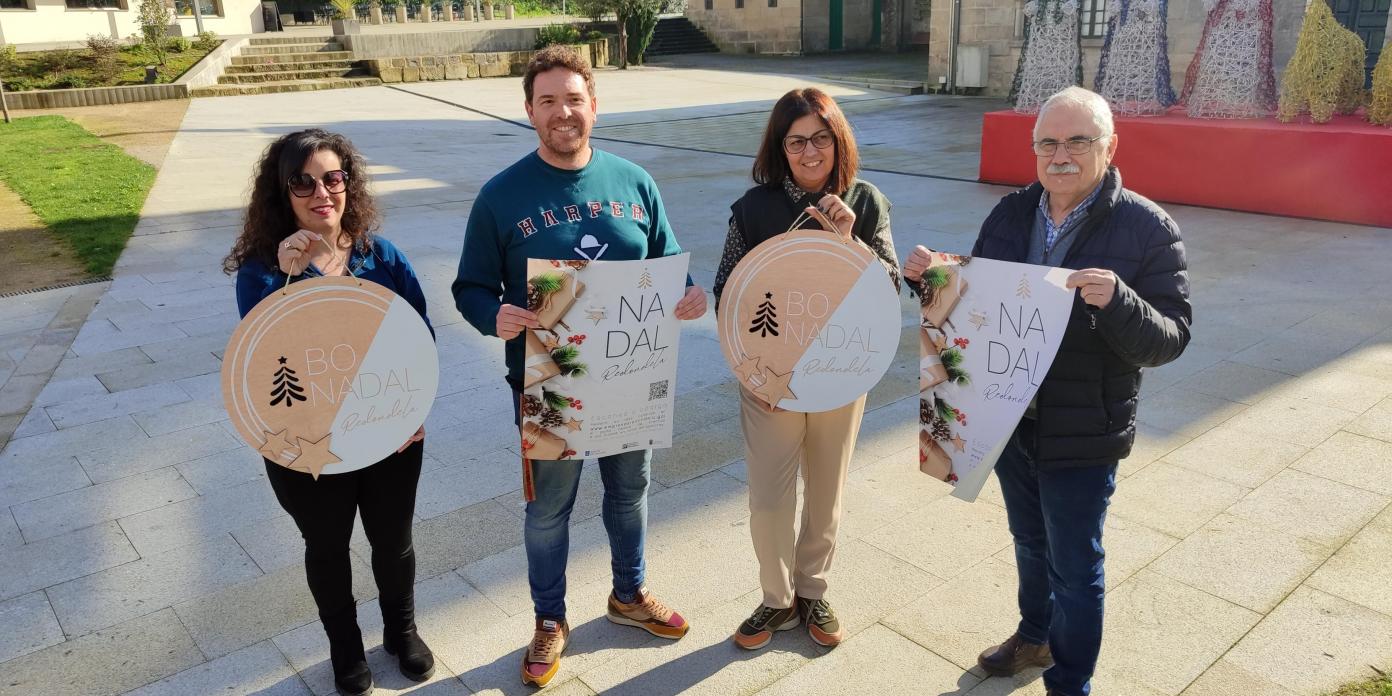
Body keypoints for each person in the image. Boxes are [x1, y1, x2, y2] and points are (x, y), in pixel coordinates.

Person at [904, 86, 1191, 696]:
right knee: (1029, 541)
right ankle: (1034, 634)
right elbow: (972, 308)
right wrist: (930, 281)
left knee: (1077, 568)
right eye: (1048, 143)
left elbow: (1169, 338)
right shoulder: (1010, 214)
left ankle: (1070, 683)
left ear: (1110, 147)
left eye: (1078, 142)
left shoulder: (1148, 229)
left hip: (1083, 428)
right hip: (1008, 421)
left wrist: (1120, 301)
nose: (1061, 156)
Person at [450, 45, 708, 688]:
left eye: (573, 99)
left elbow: (668, 258)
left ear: (594, 104)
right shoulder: (501, 196)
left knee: (629, 494)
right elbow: (470, 287)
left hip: (627, 378)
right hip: (550, 384)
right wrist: (497, 316)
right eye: (547, 101)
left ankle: (629, 595)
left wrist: (689, 292)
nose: (562, 112)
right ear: (530, 111)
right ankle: (549, 619)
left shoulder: (633, 182)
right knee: (548, 512)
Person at [225, 129, 434, 696]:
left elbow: (419, 337)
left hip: (387, 435)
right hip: (305, 444)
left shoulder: (380, 255)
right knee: (327, 547)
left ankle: (402, 631)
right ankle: (345, 650)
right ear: (282, 193)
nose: (322, 192)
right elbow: (269, 353)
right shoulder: (264, 271)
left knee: (393, 541)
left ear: (350, 184)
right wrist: (292, 276)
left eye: (334, 178)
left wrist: (410, 410)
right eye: (304, 182)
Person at [711, 88, 902, 652]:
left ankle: (812, 589)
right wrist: (755, 373)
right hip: (770, 379)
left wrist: (850, 242)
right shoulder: (754, 208)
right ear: (781, 146)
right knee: (769, 498)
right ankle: (776, 599)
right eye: (796, 141)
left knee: (826, 491)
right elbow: (729, 292)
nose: (809, 151)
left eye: (821, 137)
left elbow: (891, 291)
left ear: (837, 139)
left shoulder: (865, 202)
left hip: (842, 371)